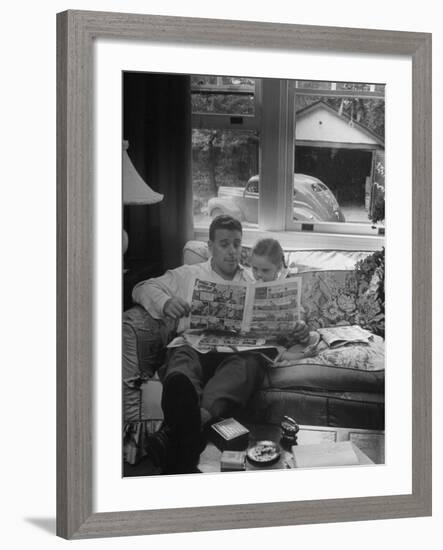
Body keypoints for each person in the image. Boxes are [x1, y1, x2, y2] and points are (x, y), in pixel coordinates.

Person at [132, 215, 267, 474]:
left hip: (234, 354)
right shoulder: (189, 274)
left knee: (249, 365)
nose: (232, 251)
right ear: (210, 247)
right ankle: (192, 428)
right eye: (224, 244)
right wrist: (166, 303)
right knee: (182, 361)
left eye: (237, 244)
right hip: (194, 345)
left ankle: (184, 429)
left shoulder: (252, 281)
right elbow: (141, 287)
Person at [249, 238, 310, 344]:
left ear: (278, 267)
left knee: (311, 337)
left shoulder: (287, 285)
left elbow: (300, 313)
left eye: (265, 270)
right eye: (255, 268)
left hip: (283, 340)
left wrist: (300, 323)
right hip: (258, 340)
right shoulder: (250, 286)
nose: (258, 274)